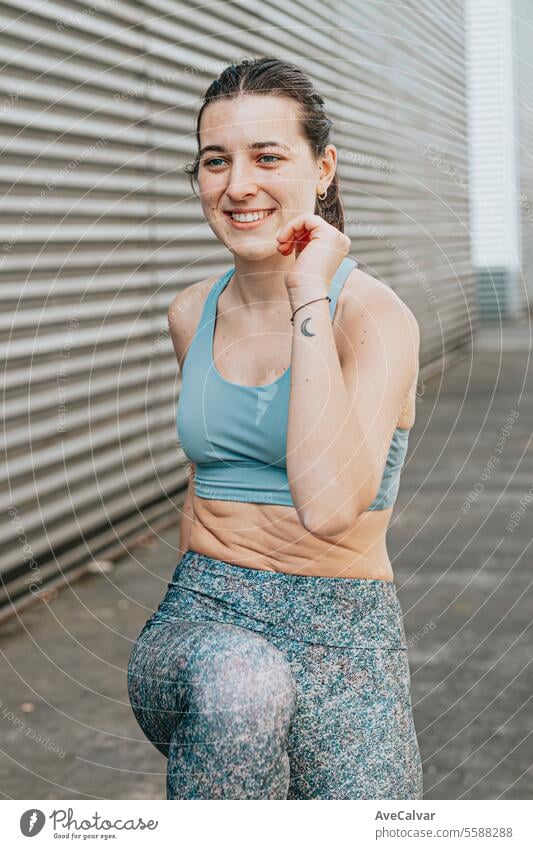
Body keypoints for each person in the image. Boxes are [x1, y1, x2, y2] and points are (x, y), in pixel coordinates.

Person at [127, 56, 423, 800]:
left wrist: (305, 294)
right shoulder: (190, 312)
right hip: (202, 622)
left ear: (322, 168)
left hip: (343, 635)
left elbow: (326, 507)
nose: (237, 184)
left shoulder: (374, 318)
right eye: (214, 161)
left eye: (267, 156)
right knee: (240, 684)